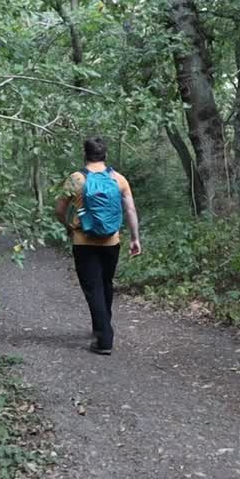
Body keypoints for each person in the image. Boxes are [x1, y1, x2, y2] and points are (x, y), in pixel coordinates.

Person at [54, 136, 141, 355]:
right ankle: (101, 326)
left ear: (85, 154)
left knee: (93, 288)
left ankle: (104, 339)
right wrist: (135, 238)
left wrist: (69, 226)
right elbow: (130, 210)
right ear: (105, 155)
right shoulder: (118, 179)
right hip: (111, 242)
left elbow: (59, 209)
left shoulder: (75, 179)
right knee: (105, 283)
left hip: (84, 241)